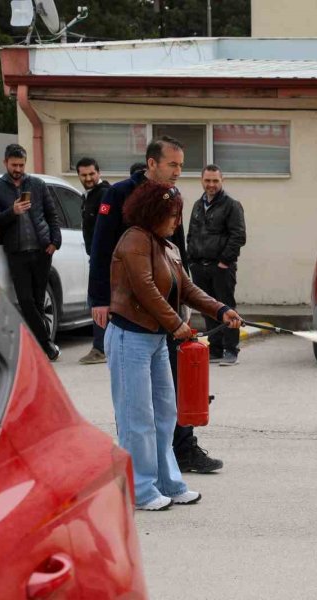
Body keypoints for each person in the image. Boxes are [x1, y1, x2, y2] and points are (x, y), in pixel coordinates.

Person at [89, 136, 224, 474]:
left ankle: (183, 448)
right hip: (132, 314)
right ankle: (136, 463)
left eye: (181, 164)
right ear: (152, 163)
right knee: (135, 400)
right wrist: (100, 300)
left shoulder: (172, 197)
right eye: (173, 164)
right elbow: (101, 250)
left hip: (167, 308)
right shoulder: (119, 195)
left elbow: (177, 255)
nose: (179, 171)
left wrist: (186, 299)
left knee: (174, 386)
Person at [106, 179, 242, 510]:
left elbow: (187, 288)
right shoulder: (134, 241)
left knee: (166, 413)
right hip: (130, 338)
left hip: (154, 340)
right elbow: (145, 289)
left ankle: (168, 481)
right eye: (171, 214)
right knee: (136, 417)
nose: (176, 221)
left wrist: (220, 309)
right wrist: (178, 325)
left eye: (178, 214)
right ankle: (141, 490)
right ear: (152, 213)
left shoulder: (167, 246)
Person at [0, 144, 61, 360]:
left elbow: (51, 214)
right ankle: (47, 344)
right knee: (26, 301)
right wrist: (13, 211)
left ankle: (40, 349)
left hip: (42, 250)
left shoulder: (37, 184)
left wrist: (55, 241)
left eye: (21, 164)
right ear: (5, 163)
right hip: (17, 252)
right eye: (14, 165)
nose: (18, 169)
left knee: (39, 301)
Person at [188, 165, 246, 366]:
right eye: (207, 181)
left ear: (222, 181)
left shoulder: (232, 205)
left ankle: (231, 350)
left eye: (215, 181)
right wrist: (191, 260)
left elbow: (238, 236)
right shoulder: (197, 205)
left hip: (221, 267)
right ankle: (216, 349)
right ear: (201, 181)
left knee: (226, 307)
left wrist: (224, 262)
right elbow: (191, 234)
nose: (211, 185)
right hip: (199, 267)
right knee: (208, 308)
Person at [76, 157, 111, 365]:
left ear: (98, 172)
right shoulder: (89, 196)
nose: (88, 178)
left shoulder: (104, 195)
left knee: (98, 300)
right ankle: (102, 346)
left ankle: (100, 349)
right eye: (84, 175)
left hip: (103, 259)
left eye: (91, 174)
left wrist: (100, 258)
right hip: (96, 257)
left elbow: (104, 230)